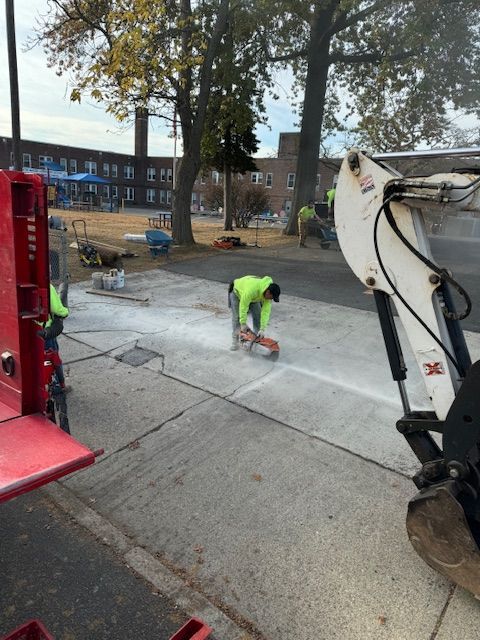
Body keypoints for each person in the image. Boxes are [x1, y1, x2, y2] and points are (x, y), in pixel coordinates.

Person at [228, 276, 281, 351]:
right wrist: (243, 323)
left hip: (254, 297)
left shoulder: (267, 294)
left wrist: (262, 329)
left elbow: (265, 312)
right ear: (268, 292)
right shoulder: (251, 290)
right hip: (237, 292)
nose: (270, 299)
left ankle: (256, 340)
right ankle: (235, 342)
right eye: (271, 297)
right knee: (237, 317)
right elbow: (243, 306)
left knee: (258, 316)